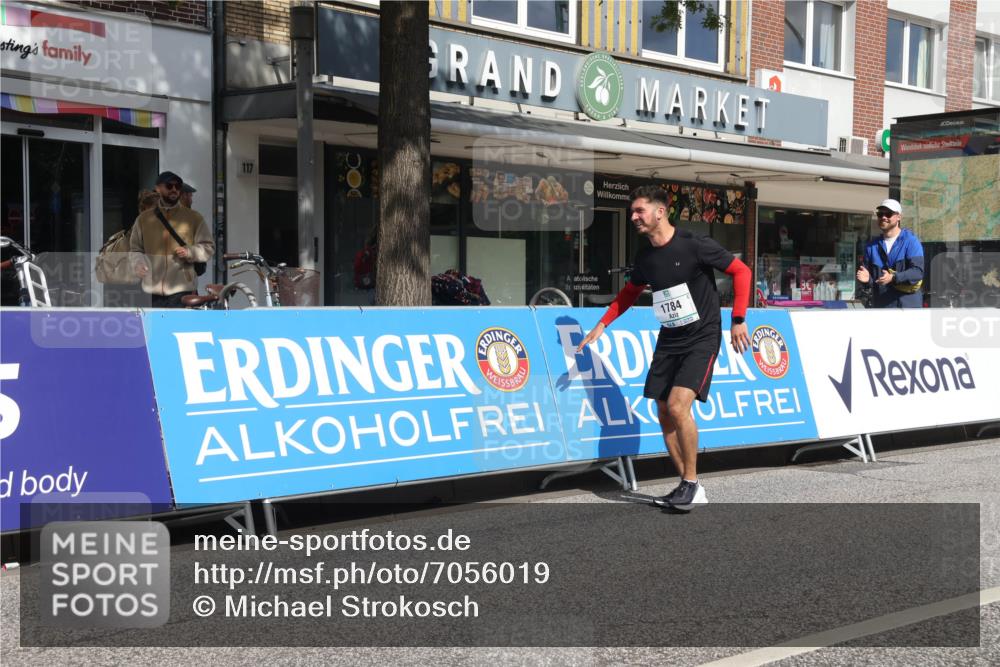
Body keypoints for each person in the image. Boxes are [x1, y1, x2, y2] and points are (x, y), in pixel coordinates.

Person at [576, 186, 751, 510]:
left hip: (702, 337)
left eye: (639, 211)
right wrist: (602, 324)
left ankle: (690, 482)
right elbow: (629, 293)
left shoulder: (694, 244)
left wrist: (738, 318)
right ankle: (688, 484)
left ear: (660, 212)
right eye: (632, 212)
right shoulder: (645, 257)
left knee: (677, 406)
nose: (633, 217)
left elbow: (741, 272)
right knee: (662, 412)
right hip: (670, 339)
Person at [130, 171, 214, 308]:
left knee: (179, 329)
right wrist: (137, 264)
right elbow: (135, 249)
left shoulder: (194, 218)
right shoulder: (144, 219)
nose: (174, 189)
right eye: (169, 186)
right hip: (152, 291)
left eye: (178, 186)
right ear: (158, 188)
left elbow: (209, 247)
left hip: (182, 290)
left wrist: (190, 252)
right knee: (155, 329)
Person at [856, 198, 924, 308]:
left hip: (907, 309)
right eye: (880, 214)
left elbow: (917, 272)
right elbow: (873, 281)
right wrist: (867, 279)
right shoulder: (871, 246)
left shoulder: (910, 241)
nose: (883, 217)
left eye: (888, 214)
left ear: (899, 217)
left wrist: (893, 277)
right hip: (883, 309)